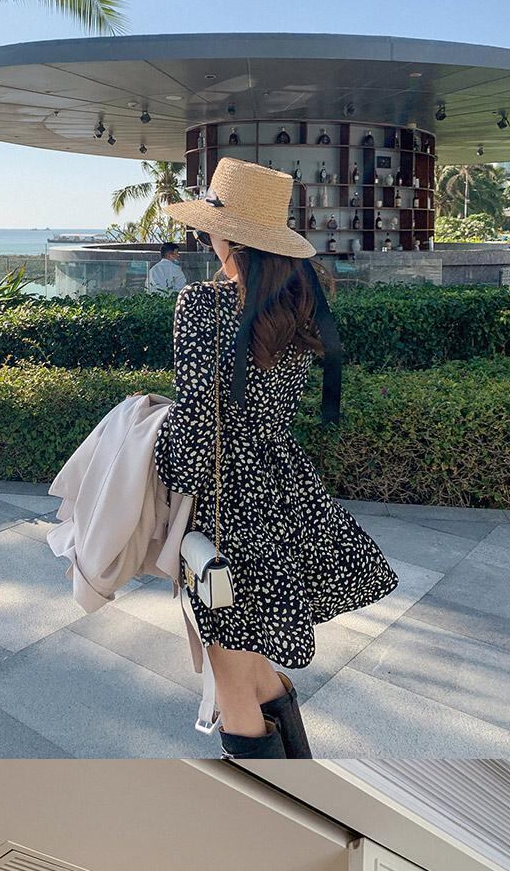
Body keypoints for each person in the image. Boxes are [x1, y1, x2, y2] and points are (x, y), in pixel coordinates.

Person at [153, 157, 397, 758]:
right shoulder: (298, 303)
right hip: (280, 489)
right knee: (254, 668)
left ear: (227, 235)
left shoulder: (202, 304)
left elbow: (198, 422)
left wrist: (157, 456)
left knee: (233, 682)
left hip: (228, 506)